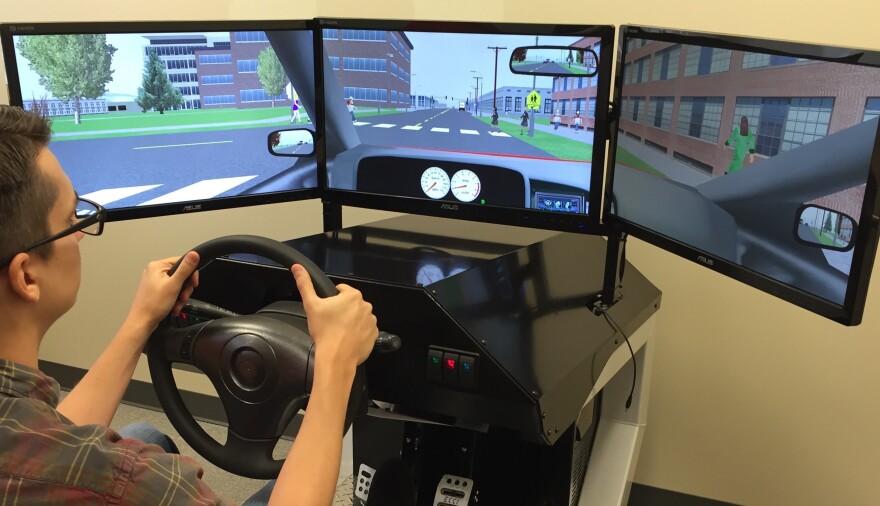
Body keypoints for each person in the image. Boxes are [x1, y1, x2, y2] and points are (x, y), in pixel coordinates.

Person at [0, 105, 379, 505]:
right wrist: (335, 362)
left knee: (144, 433)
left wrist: (141, 322)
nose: (80, 235)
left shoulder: (22, 430)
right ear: (27, 277)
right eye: (72, 220)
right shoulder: (135, 483)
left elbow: (46, 439)